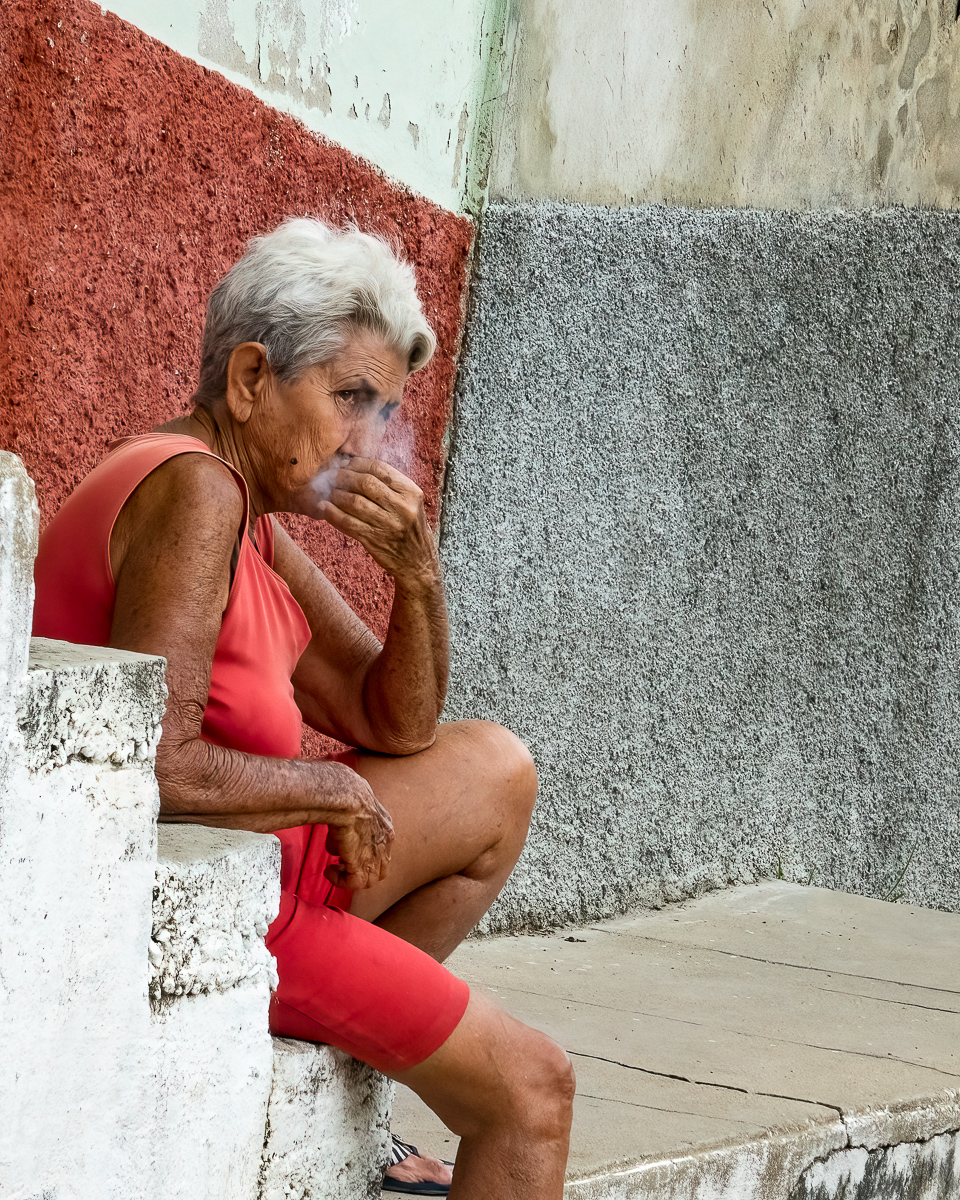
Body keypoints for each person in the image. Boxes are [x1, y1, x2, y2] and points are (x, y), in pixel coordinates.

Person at [31, 218, 575, 1199]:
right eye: (348, 400)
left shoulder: (244, 511)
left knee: (496, 768)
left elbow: (393, 722)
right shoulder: (195, 494)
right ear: (249, 381)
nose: (368, 441)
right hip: (221, 909)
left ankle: (348, 1060)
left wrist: (418, 581)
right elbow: (154, 763)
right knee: (533, 1092)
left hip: (275, 871)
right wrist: (326, 789)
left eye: (385, 409)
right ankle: (359, 1025)